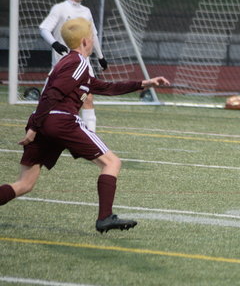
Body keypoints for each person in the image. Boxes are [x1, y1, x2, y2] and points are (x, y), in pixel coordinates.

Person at [0, 18, 170, 234]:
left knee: (25, 184)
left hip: (44, 121)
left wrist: (145, 83)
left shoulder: (70, 63)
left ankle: (105, 217)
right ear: (84, 41)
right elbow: (52, 94)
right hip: (60, 121)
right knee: (112, 163)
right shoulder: (78, 63)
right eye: (92, 36)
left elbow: (106, 88)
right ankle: (105, 217)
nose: (93, 40)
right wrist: (34, 126)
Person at [39, 0, 107, 132]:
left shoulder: (86, 12)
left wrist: (100, 57)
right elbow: (44, 29)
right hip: (63, 64)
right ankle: (38, 129)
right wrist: (55, 44)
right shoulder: (60, 9)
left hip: (83, 64)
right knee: (51, 99)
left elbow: (93, 35)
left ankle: (91, 135)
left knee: (87, 98)